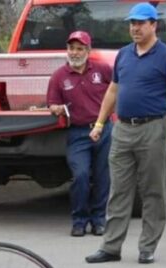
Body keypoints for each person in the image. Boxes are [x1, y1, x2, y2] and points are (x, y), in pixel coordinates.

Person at [85, 2, 166, 264]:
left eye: (141, 23)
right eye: (132, 23)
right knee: (118, 190)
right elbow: (113, 91)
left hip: (153, 128)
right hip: (123, 128)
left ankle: (147, 247)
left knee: (153, 190)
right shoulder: (124, 55)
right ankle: (110, 247)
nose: (135, 28)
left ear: (154, 25)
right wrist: (99, 123)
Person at [47, 30, 113, 237]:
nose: (74, 53)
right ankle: (79, 220)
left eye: (79, 48)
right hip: (78, 133)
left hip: (103, 128)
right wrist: (55, 108)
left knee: (103, 177)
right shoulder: (59, 76)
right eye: (71, 48)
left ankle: (99, 220)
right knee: (81, 175)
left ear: (88, 50)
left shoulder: (103, 70)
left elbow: (117, 91)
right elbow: (52, 103)